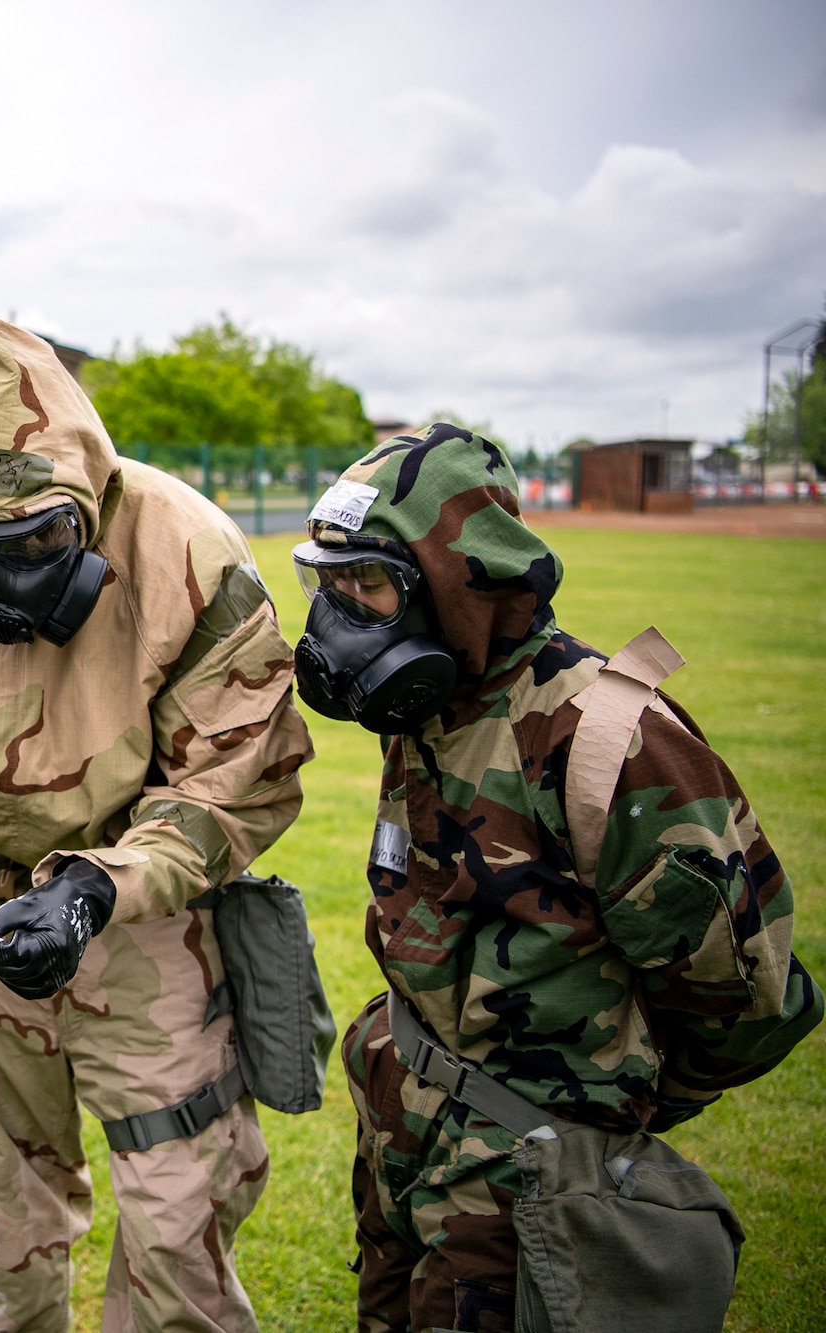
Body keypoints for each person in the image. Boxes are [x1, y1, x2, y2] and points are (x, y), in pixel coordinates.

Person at [0, 319, 313, 1332]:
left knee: (178, 1226)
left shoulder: (187, 552)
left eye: (32, 546)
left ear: (83, 504)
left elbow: (232, 782)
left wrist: (96, 888)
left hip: (146, 928)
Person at [291, 424, 821, 1332]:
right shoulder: (430, 707)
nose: (338, 618)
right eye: (326, 585)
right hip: (405, 1131)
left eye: (367, 585)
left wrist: (595, 1114)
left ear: (460, 583)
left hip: (528, 1173)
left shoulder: (607, 741)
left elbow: (748, 1003)